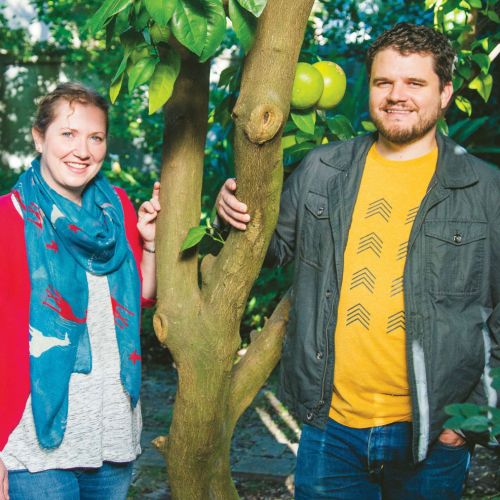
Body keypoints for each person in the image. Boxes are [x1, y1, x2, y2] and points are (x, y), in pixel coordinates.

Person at [216, 23, 499, 499]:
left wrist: (467, 421)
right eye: (383, 82)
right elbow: (269, 250)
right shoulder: (323, 170)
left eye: (415, 83)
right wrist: (231, 213)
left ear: (445, 93)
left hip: (434, 433)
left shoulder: (485, 190)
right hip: (332, 429)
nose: (396, 95)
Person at [0, 82, 161, 500]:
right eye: (68, 134)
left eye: (96, 137)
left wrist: (150, 245)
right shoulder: (7, 219)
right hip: (31, 446)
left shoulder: (116, 208)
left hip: (111, 433)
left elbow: (141, 297)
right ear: (39, 138)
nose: (83, 150)